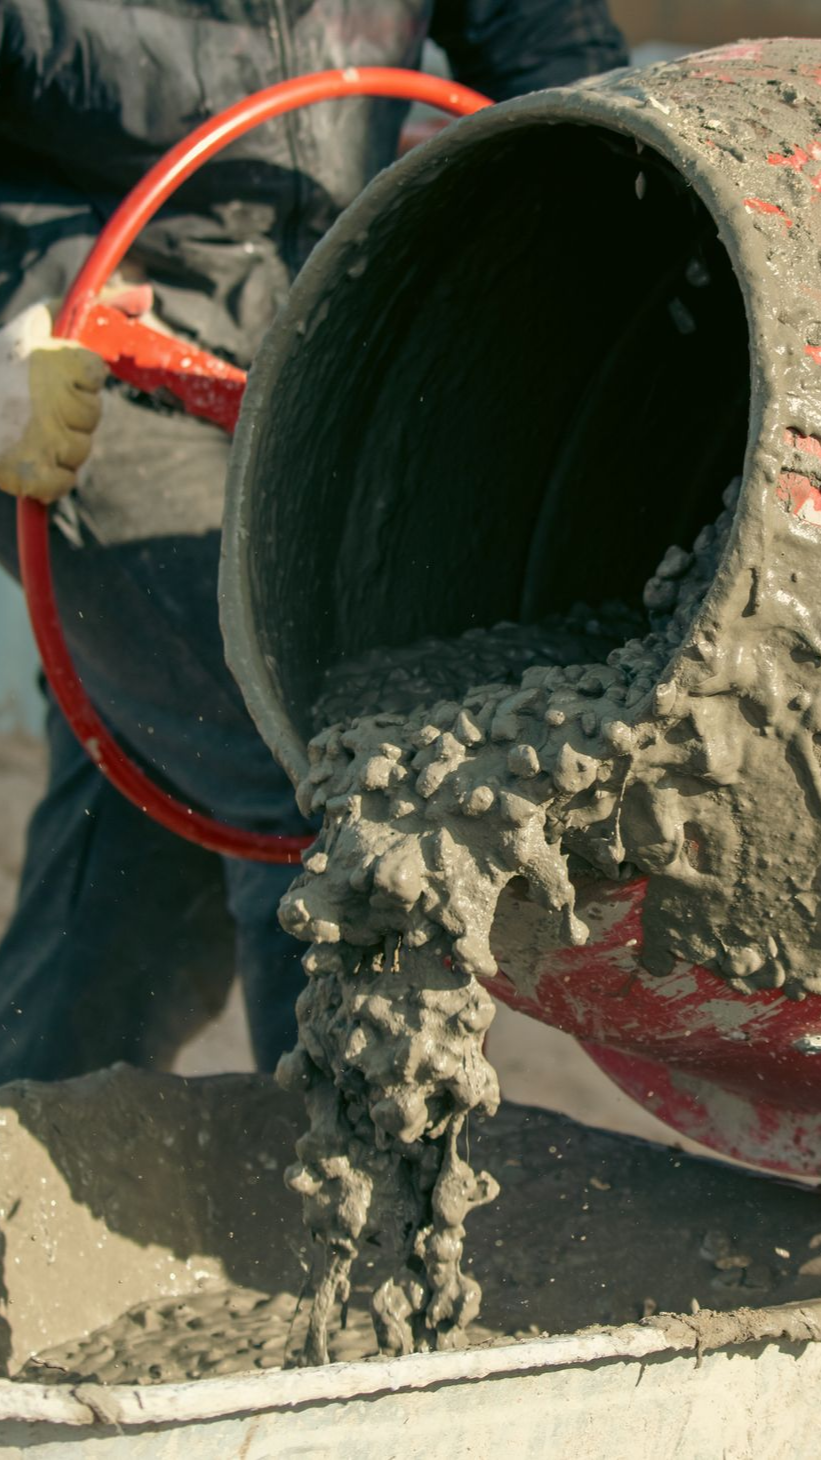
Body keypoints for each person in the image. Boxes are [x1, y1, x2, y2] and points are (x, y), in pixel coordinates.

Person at [0, 0, 628, 1081]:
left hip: (332, 327)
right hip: (80, 361)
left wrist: (630, 193)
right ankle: (352, 1214)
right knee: (314, 762)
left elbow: (548, 47)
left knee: (143, 853)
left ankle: (31, 1166)